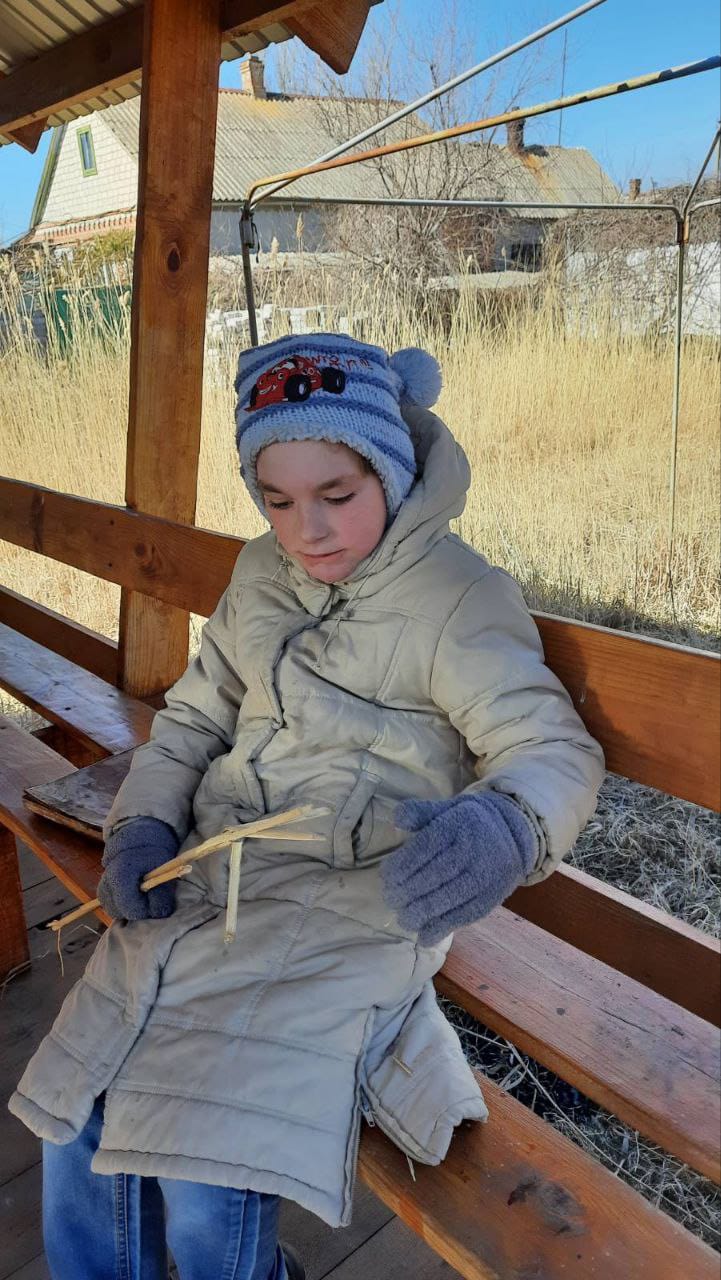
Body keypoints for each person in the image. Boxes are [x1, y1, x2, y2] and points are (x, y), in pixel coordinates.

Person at [10, 334, 605, 1280]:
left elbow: (550, 750)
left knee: (209, 1149)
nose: (308, 531)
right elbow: (194, 717)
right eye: (277, 501)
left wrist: (503, 824)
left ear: (390, 472)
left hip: (353, 903)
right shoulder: (261, 575)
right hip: (213, 873)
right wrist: (143, 824)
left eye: (337, 494)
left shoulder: (455, 597)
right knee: (74, 1107)